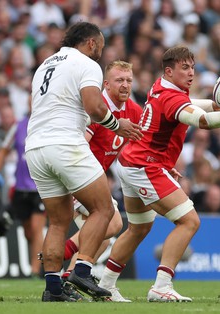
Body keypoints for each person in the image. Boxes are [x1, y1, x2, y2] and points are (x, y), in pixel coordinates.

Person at [98, 45, 220, 302]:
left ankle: (105, 285)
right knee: (189, 221)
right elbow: (202, 121)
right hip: (144, 166)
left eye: (193, 66)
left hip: (132, 162)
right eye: (185, 67)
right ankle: (161, 286)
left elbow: (189, 105)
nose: (191, 72)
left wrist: (215, 104)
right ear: (170, 71)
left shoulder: (161, 86)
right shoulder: (173, 98)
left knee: (138, 229)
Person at [24, 22, 142, 302]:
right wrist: (117, 125)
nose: (101, 51)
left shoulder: (45, 65)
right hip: (65, 143)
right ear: (91, 43)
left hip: (36, 146)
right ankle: (83, 269)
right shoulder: (86, 64)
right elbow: (94, 106)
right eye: (100, 45)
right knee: (103, 209)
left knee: (57, 221)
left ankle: (53, 289)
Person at [59, 60, 143, 301]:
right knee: (114, 223)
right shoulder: (98, 108)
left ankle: (70, 280)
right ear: (106, 84)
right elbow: (80, 143)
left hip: (94, 180)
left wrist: (164, 165)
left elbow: (146, 141)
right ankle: (70, 247)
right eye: (119, 80)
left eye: (128, 80)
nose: (125, 85)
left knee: (103, 240)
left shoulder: (133, 110)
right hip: (78, 176)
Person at [0, 97, 46, 279]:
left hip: (41, 186)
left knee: (36, 228)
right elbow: (3, 151)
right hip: (21, 187)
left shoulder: (48, 124)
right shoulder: (18, 126)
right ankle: (42, 259)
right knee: (28, 232)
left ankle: (35, 270)